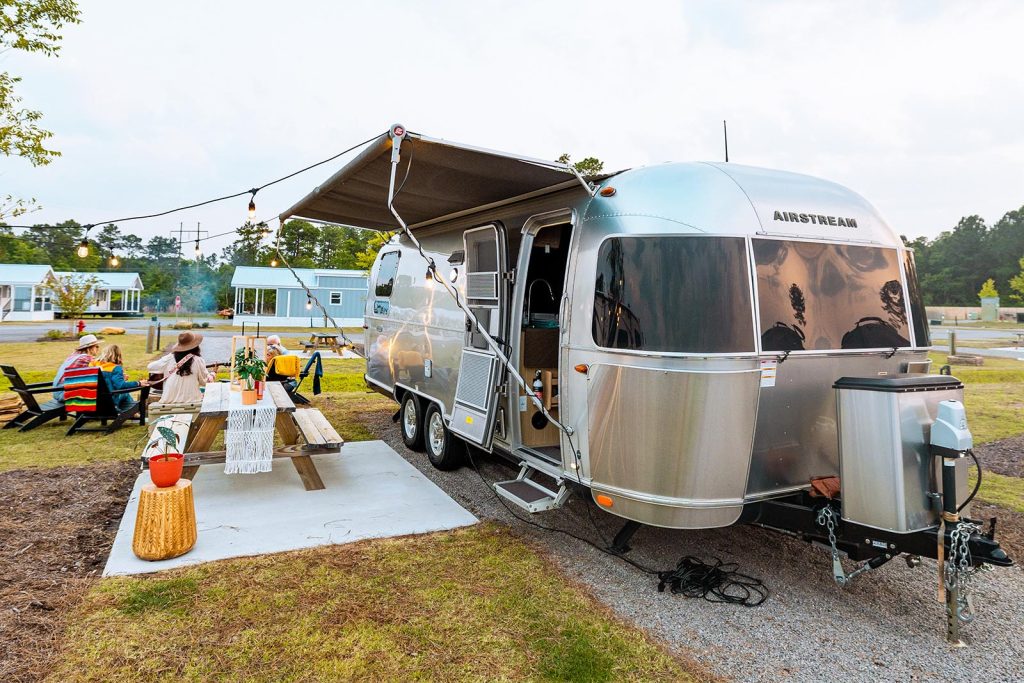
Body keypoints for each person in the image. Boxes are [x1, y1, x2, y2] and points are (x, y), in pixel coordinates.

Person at [147, 331, 213, 404]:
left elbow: (150, 367)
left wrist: (169, 356)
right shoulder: (198, 360)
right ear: (195, 346)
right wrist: (213, 374)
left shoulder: (169, 358)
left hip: (168, 401)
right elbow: (205, 382)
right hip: (192, 401)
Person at [91, 344, 148, 411]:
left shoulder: (92, 365)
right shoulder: (115, 368)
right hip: (109, 403)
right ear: (118, 355)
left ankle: (132, 412)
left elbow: (104, 381)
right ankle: (133, 412)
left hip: (92, 402)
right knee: (125, 393)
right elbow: (120, 386)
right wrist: (138, 383)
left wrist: (121, 378)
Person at [52, 334, 101, 402]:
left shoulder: (74, 356)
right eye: (97, 346)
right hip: (64, 394)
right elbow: (101, 371)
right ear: (89, 348)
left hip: (57, 391)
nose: (98, 349)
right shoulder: (86, 358)